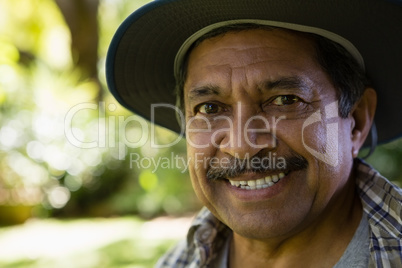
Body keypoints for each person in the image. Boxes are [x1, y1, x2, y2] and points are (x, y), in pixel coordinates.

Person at [106, 0, 402, 267]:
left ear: (357, 120)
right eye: (210, 108)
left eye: (285, 100)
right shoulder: (179, 263)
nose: (241, 146)